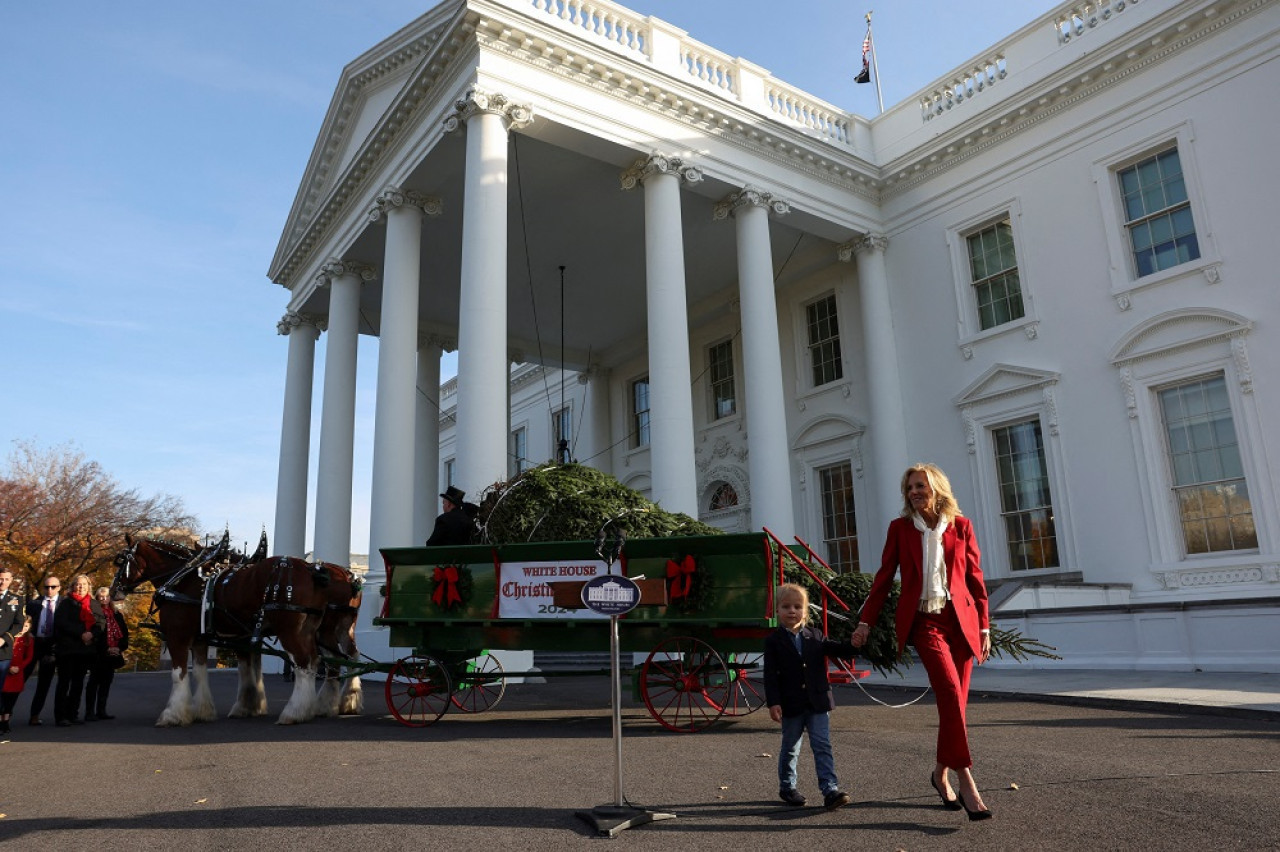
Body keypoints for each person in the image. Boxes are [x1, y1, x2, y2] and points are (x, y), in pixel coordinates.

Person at [852, 463, 993, 821]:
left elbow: (975, 580)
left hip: (960, 623)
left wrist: (984, 628)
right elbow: (884, 577)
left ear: (937, 490)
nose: (915, 492)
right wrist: (865, 620)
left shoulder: (961, 527)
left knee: (956, 706)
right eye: (910, 487)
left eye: (921, 486)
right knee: (947, 691)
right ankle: (966, 780)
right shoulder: (900, 529)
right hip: (925, 622)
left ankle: (939, 773)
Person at [763, 582, 857, 811]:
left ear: (806, 611)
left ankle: (830, 790)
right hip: (790, 704)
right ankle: (787, 787)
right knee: (791, 747)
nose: (792, 611)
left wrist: (854, 645)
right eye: (786, 606)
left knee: (822, 745)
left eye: (797, 606)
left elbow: (837, 649)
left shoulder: (815, 635)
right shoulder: (774, 641)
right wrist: (773, 702)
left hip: (817, 703)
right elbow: (770, 676)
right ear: (777, 611)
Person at [52, 573, 105, 727]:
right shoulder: (66, 602)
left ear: (89, 587)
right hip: (68, 649)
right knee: (64, 683)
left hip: (85, 650)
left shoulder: (93, 604)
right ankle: (61, 715)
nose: (81, 587)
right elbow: (61, 623)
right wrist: (81, 633)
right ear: (73, 586)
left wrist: (92, 634)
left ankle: (73, 713)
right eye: (78, 584)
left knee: (78, 683)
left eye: (84, 584)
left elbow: (101, 622)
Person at [84, 586, 129, 721]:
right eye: (101, 596)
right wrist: (105, 648)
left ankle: (101, 710)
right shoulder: (94, 613)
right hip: (98, 653)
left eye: (107, 596)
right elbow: (96, 633)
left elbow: (125, 633)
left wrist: (119, 648)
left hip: (113, 653)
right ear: (97, 598)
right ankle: (89, 712)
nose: (104, 599)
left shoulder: (116, 614)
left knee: (106, 682)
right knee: (93, 683)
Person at [24, 573, 61, 726]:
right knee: (19, 679)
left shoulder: (64, 604)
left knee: (44, 683)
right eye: (46, 587)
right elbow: (24, 622)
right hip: (34, 644)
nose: (50, 590)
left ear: (59, 588)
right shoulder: (34, 604)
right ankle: (5, 713)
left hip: (51, 647)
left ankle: (34, 715)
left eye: (53, 587)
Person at [1, 615, 33, 736]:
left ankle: (6, 721)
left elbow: (29, 657)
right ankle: (2, 721)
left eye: (26, 626)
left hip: (17, 672)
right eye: (22, 625)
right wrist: (9, 667)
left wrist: (20, 667)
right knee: (3, 698)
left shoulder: (28, 640)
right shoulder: (8, 637)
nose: (23, 628)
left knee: (11, 699)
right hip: (6, 669)